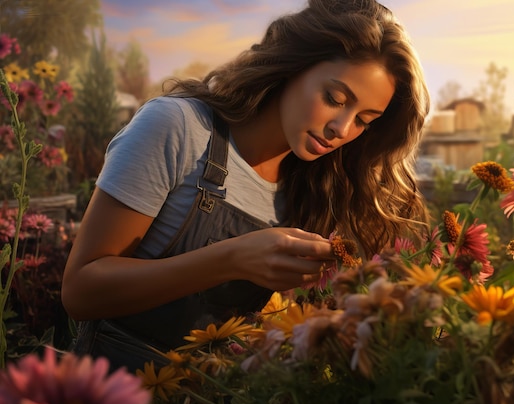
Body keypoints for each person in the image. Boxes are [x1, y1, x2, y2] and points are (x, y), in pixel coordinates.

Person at [61, 0, 431, 372]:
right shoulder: (179, 128)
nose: (343, 129)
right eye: (334, 98)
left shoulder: (320, 187)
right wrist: (232, 259)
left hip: (216, 396)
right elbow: (81, 291)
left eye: (364, 120)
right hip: (112, 387)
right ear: (293, 66)